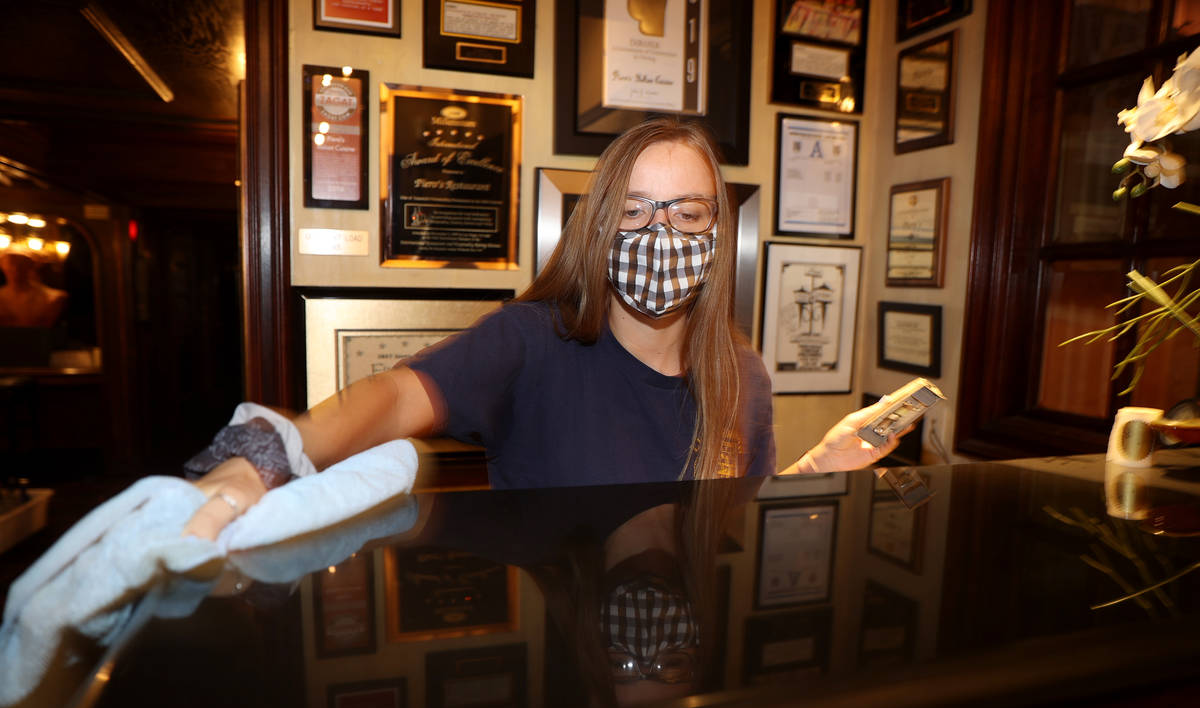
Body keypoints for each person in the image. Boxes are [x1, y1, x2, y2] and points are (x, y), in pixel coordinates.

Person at [185, 117, 905, 540]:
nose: (660, 234)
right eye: (632, 211)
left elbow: (728, 527)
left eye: (687, 214)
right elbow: (393, 397)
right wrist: (264, 453)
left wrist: (820, 470)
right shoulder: (531, 344)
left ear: (718, 236)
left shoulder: (741, 374)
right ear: (597, 227)